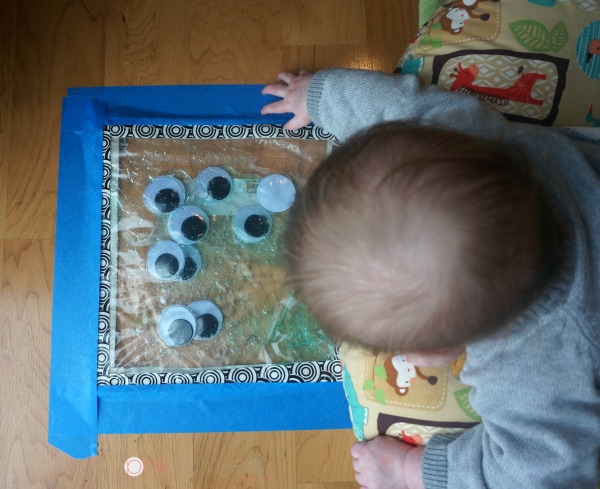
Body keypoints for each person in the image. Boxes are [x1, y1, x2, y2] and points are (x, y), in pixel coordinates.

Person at [261, 69, 600, 489]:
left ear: (439, 350)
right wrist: (319, 95)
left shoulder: (533, 369)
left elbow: (536, 470)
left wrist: (412, 471)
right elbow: (392, 105)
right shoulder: (461, 135)